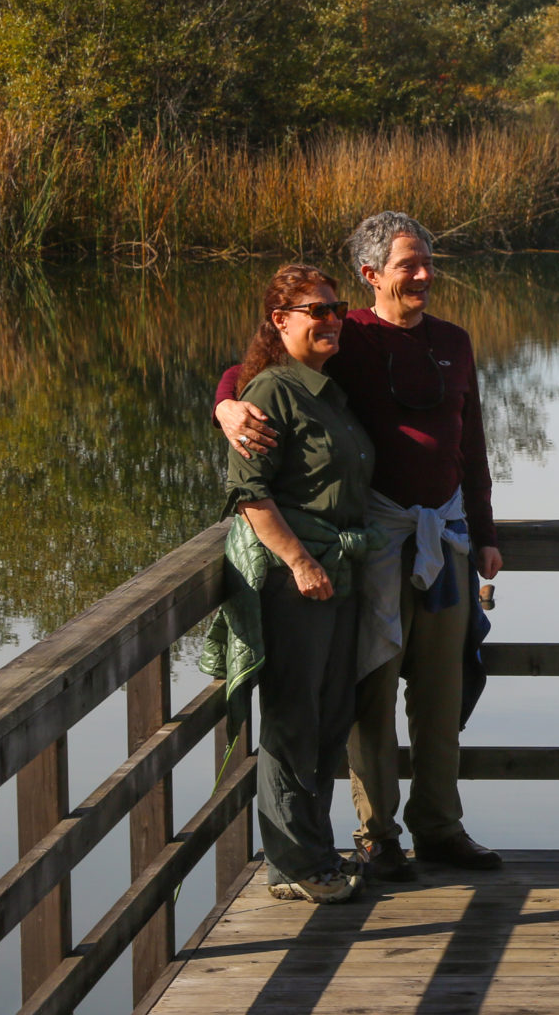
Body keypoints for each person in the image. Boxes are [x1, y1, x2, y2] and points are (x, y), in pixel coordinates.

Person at [215, 213, 504, 881]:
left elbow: (473, 446)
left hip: (448, 538)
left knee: (440, 690)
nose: (425, 275)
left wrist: (486, 532)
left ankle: (440, 826)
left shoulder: (454, 343)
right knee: (370, 690)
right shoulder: (348, 338)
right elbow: (257, 365)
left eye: (429, 261)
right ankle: (378, 834)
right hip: (377, 539)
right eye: (410, 264)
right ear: (372, 274)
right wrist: (226, 405)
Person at [208, 265, 380, 905]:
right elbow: (247, 492)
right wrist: (300, 562)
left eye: (336, 308)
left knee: (330, 715)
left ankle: (312, 852)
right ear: (280, 321)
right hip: (297, 581)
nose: (332, 319)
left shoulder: (324, 388)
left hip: (339, 574)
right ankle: (293, 863)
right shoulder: (273, 391)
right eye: (317, 310)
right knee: (291, 718)